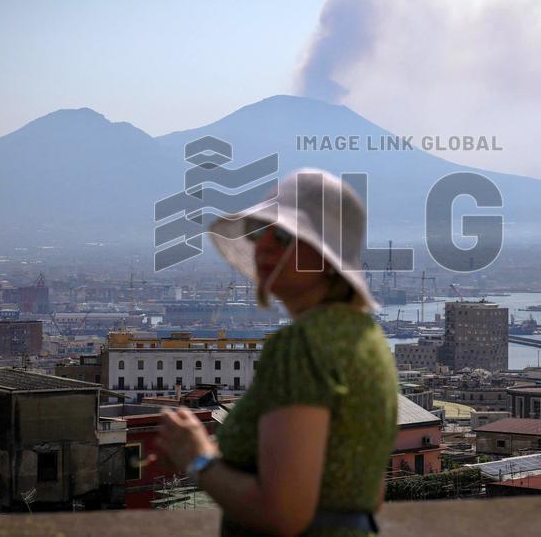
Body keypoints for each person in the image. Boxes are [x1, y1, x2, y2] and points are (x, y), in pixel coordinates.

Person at [156, 169, 398, 536]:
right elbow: (367, 490)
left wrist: (199, 458)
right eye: (258, 232)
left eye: (283, 235)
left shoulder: (301, 346)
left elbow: (283, 515)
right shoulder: (368, 340)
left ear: (324, 254)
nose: (263, 246)